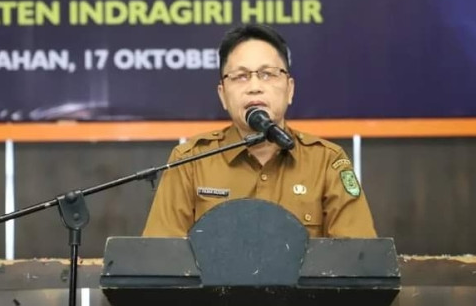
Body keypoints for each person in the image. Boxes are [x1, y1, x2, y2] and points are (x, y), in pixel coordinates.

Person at [142, 24, 377, 238]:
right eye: (241, 76)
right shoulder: (190, 162)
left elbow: (359, 257)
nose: (255, 87)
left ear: (290, 89)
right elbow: (161, 257)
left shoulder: (327, 162)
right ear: (223, 95)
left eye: (267, 74)